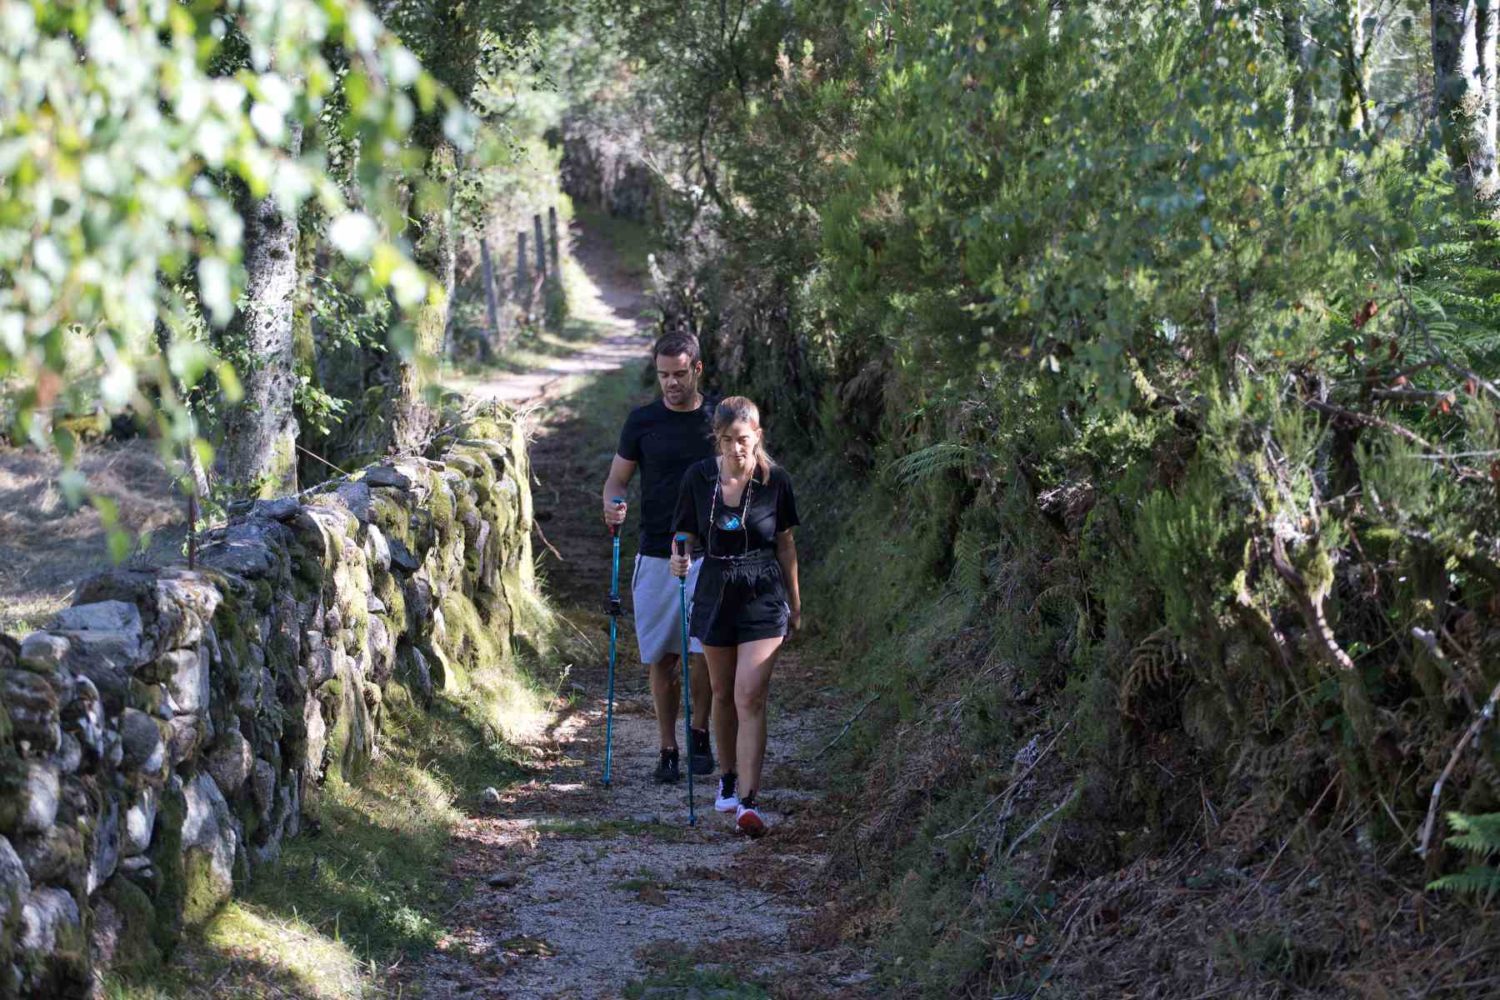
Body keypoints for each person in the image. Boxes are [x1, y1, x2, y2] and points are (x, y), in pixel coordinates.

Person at [671, 396, 801, 837]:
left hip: (763, 592)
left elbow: (785, 544)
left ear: (757, 436)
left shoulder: (774, 481)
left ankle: (749, 801)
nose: (736, 449)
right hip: (714, 589)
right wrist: (679, 554)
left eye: (743, 439)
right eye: (727, 440)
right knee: (722, 693)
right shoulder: (698, 477)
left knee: (751, 695)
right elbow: (684, 530)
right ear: (717, 438)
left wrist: (796, 603)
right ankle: (726, 778)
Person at [601, 332, 717, 783]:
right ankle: (668, 748)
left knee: (705, 651)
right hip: (654, 551)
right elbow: (616, 481)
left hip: (711, 553)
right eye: (663, 375)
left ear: (698, 370)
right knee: (662, 658)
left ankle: (701, 732)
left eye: (679, 374)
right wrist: (613, 505)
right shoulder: (642, 422)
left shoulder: (716, 418)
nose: (670, 383)